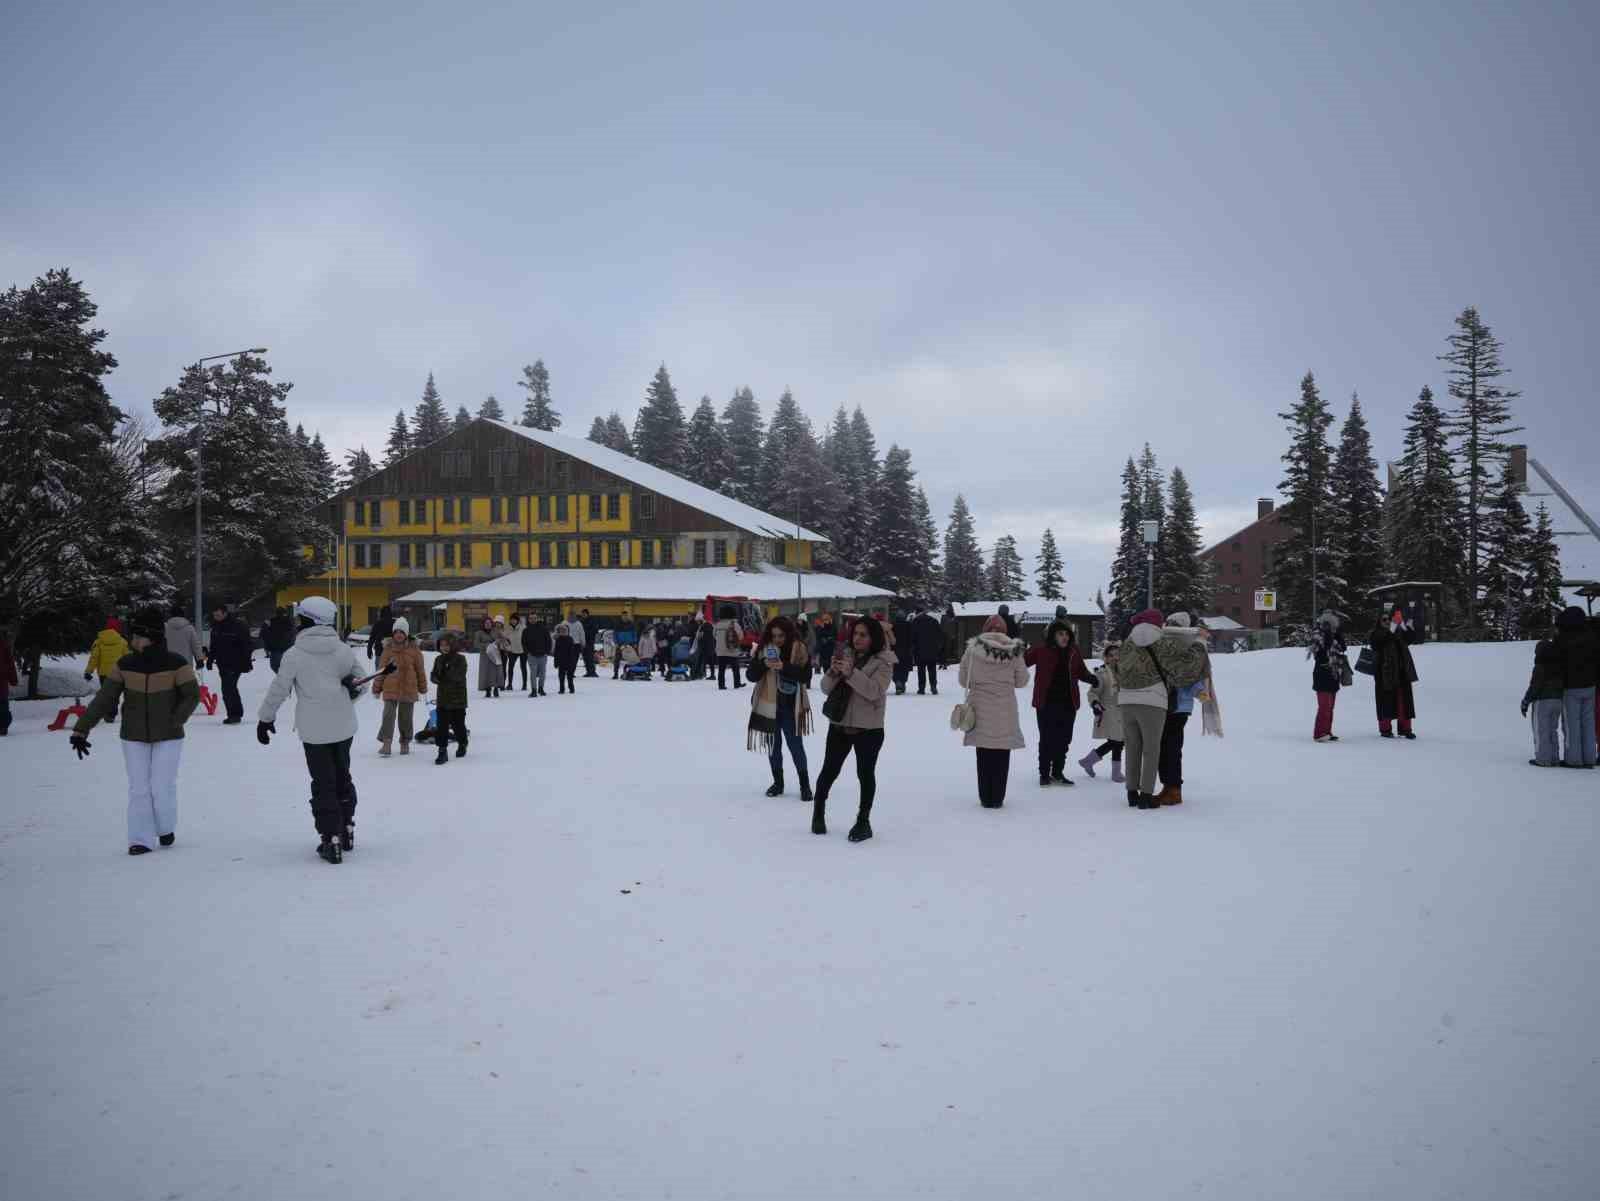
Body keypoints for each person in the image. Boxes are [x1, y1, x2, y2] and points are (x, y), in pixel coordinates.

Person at [70, 608, 200, 854]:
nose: (132, 640)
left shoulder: (176, 663)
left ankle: (164, 827)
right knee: (139, 787)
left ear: (147, 636)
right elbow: (105, 697)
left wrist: (176, 719)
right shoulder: (125, 664)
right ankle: (140, 839)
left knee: (162, 786)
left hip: (169, 735)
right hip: (133, 735)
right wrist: (81, 729)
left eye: (135, 635)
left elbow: (191, 695)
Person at [256, 595, 368, 864]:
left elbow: (279, 689)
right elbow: (362, 683)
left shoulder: (295, 654)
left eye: (300, 618)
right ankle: (346, 826)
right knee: (342, 776)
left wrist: (266, 718)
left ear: (307, 621)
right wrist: (348, 692)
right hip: (343, 727)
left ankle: (331, 838)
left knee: (323, 783)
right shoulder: (343, 650)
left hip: (314, 731)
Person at [1115, 608, 1208, 809]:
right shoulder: (1161, 641)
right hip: (1152, 701)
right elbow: (1184, 670)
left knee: (1132, 748)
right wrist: (1199, 644)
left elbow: (1117, 668)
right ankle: (1146, 796)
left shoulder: (1128, 642)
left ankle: (1132, 793)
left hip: (1126, 701)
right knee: (1151, 749)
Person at [813, 617, 894, 840]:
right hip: (839, 724)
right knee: (829, 771)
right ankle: (818, 813)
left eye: (863, 635)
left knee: (865, 774)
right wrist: (832, 671)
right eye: (855, 633)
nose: (857, 638)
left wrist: (850, 673)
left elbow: (874, 691)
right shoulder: (847, 655)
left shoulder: (884, 661)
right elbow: (825, 688)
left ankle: (863, 821)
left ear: (873, 638)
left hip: (868, 729)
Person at [959, 615, 1030, 808]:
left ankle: (985, 797)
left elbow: (962, 678)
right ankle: (997, 798)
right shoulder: (1014, 651)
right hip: (1005, 708)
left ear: (985, 629)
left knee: (983, 754)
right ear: (1005, 631)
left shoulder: (972, 649)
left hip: (979, 708)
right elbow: (1022, 681)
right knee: (1001, 754)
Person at [1023, 619, 1096, 787]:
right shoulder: (1041, 650)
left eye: (1067, 634)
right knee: (1047, 738)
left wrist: (1092, 679)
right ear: (1052, 635)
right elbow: (1022, 662)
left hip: (1068, 703)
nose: (1064, 637)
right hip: (1046, 702)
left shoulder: (1073, 651)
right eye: (1060, 634)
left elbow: (1081, 671)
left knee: (1064, 739)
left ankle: (1057, 772)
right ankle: (1044, 774)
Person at [747, 616, 814, 799]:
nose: (777, 639)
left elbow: (806, 676)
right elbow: (751, 676)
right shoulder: (763, 650)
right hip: (768, 706)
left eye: (781, 636)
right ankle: (778, 783)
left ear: (789, 634)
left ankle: (805, 785)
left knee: (796, 747)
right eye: (774, 635)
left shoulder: (799, 649)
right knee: (773, 747)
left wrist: (784, 667)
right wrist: (763, 664)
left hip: (791, 706)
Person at [1155, 613, 1207, 805]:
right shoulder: (1183, 648)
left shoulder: (1184, 649)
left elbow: (1192, 674)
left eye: (1171, 624)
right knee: (1168, 748)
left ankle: (1173, 788)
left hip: (1176, 706)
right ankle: (1170, 787)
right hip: (1172, 705)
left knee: (1170, 748)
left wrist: (1199, 690)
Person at [374, 617, 427, 756]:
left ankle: (405, 742)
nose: (398, 634)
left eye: (401, 632)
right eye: (396, 632)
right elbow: (381, 670)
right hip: (391, 686)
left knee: (406, 718)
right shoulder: (388, 649)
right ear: (393, 633)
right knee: (388, 716)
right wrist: (377, 688)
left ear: (406, 634)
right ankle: (386, 743)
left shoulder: (414, 650)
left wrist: (423, 687)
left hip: (408, 687)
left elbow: (420, 670)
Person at [1554, 605, 1598, 767]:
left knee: (1572, 725)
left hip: (1570, 687)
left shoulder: (1562, 639)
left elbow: (1558, 663)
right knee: (1588, 724)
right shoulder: (1591, 636)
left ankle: (1573, 759)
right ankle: (1590, 757)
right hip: (1590, 685)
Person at [1079, 640, 1125, 782]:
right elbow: (1093, 692)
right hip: (1108, 711)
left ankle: (1088, 761)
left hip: (1122, 711)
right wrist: (1095, 704)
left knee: (1117, 742)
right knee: (1117, 741)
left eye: (1117, 655)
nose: (1114, 658)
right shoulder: (1101, 673)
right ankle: (1115, 773)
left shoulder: (1124, 672)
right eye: (1111, 655)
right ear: (1105, 657)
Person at [1369, 610, 1419, 740]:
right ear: (1379, 622)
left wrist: (1407, 627)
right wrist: (1392, 629)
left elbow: (1409, 639)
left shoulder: (1397, 631)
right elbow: (1378, 643)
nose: (1387, 622)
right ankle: (1385, 729)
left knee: (1404, 702)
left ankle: (1406, 728)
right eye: (1384, 620)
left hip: (1402, 672)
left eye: (1388, 619)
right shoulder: (1376, 633)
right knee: (1386, 701)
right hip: (1384, 674)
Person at [1521, 635, 1566, 767]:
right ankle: (1554, 758)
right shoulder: (1559, 666)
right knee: (1553, 730)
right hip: (1558, 700)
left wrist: (1526, 701)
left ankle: (1543, 759)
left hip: (1542, 701)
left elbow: (1535, 685)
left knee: (1541, 730)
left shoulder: (1540, 666)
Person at [205, 603, 254, 724]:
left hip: (236, 662)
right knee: (230, 688)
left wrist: (246, 662)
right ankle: (235, 713)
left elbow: (247, 645)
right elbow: (214, 645)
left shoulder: (238, 626)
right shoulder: (216, 626)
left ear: (225, 613)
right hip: (222, 662)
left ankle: (234, 715)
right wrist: (210, 659)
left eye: (218, 615)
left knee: (228, 688)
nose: (216, 617)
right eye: (214, 615)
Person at [429, 632, 470, 764]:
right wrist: (435, 678)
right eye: (442, 645)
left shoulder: (461, 659)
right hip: (443, 699)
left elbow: (457, 676)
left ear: (453, 645)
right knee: (442, 726)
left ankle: (462, 743)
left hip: (457, 700)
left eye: (447, 645)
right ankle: (442, 751)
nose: (444, 648)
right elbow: (433, 675)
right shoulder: (438, 659)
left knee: (458, 726)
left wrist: (444, 674)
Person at [1309, 610, 1346, 743]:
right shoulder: (1318, 634)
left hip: (1333, 672)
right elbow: (1319, 653)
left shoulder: (1336, 634)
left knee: (1330, 706)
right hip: (1322, 672)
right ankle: (1319, 733)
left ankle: (1327, 731)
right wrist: (1329, 637)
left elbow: (1343, 648)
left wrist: (1337, 635)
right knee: (1324, 705)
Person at [84, 616, 129, 722]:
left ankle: (107, 712)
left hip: (103, 673)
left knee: (106, 693)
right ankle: (111, 714)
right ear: (118, 628)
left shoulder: (99, 641)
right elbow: (127, 657)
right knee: (115, 694)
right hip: (118, 673)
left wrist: (88, 671)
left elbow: (94, 658)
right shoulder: (122, 641)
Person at [165, 604, 206, 671]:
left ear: (171, 615)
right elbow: (196, 645)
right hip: (185, 664)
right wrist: (199, 660)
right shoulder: (189, 628)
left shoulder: (165, 627)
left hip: (168, 663)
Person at [912, 610, 944, 695]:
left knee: (921, 670)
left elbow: (913, 637)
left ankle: (921, 688)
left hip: (919, 650)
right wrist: (938, 647)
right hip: (932, 650)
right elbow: (940, 635)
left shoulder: (916, 621)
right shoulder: (934, 621)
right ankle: (933, 686)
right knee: (932, 669)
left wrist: (913, 648)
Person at [713, 605, 744, 690]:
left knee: (721, 670)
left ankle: (721, 685)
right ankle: (737, 684)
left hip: (720, 651)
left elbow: (714, 636)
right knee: (735, 669)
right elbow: (741, 636)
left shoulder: (717, 624)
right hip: (732, 650)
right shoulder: (734, 624)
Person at [473, 617, 501, 699]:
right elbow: (476, 644)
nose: (488, 625)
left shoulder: (496, 632)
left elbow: (501, 640)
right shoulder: (479, 633)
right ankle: (487, 690)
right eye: (486, 623)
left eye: (489, 623)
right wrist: (487, 645)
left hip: (495, 654)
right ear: (483, 624)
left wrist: (498, 642)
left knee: (495, 671)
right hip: (484, 655)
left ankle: (496, 688)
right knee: (486, 672)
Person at [524, 615, 551, 696]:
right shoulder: (526, 630)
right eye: (531, 618)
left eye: (534, 618)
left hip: (543, 655)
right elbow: (523, 642)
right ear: (528, 619)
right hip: (532, 655)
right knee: (533, 673)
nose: (533, 620)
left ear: (537, 619)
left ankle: (541, 688)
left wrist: (547, 651)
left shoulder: (543, 629)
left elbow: (548, 640)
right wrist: (527, 652)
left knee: (543, 673)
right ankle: (534, 690)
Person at [553, 616, 580, 694]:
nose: (562, 632)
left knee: (570, 677)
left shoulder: (570, 639)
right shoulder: (558, 640)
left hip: (569, 662)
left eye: (564, 630)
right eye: (561, 631)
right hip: (561, 662)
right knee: (561, 677)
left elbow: (572, 652)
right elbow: (556, 652)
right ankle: (562, 689)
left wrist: (573, 662)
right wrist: (556, 662)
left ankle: (571, 688)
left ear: (567, 631)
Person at [891, 612, 914, 695]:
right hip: (906, 651)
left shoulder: (892, 626)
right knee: (904, 669)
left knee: (896, 668)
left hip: (895, 651)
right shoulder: (909, 625)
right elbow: (912, 638)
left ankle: (897, 682)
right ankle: (903, 682)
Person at [504, 614, 527, 691]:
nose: (513, 621)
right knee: (510, 668)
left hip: (522, 650)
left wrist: (526, 648)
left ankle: (524, 685)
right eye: (511, 619)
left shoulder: (523, 627)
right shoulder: (507, 628)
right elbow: (505, 640)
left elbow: (527, 639)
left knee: (523, 667)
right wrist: (508, 648)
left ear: (517, 620)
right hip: (512, 651)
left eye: (514, 619)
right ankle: (510, 684)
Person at [0, 627, 17, 736]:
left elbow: (10, 663)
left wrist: (13, 679)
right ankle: (3, 726)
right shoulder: (4, 644)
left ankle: (2, 726)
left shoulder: (3, 645)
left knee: (2, 706)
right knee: (3, 705)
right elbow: (10, 663)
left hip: (1, 682)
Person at [696, 617, 716, 682]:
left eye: (698, 621)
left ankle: (701, 674)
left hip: (704, 646)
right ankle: (712, 675)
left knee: (702, 661)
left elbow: (699, 637)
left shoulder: (702, 627)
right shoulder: (712, 626)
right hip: (711, 646)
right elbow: (715, 636)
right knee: (711, 662)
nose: (698, 623)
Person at [580, 608, 598, 677]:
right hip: (583, 642)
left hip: (590, 642)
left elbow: (595, 630)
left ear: (587, 614)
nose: (583, 615)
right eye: (582, 614)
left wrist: (586, 632)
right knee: (585, 658)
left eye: (584, 614)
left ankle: (592, 672)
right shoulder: (581, 621)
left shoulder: (592, 621)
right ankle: (588, 671)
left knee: (590, 657)